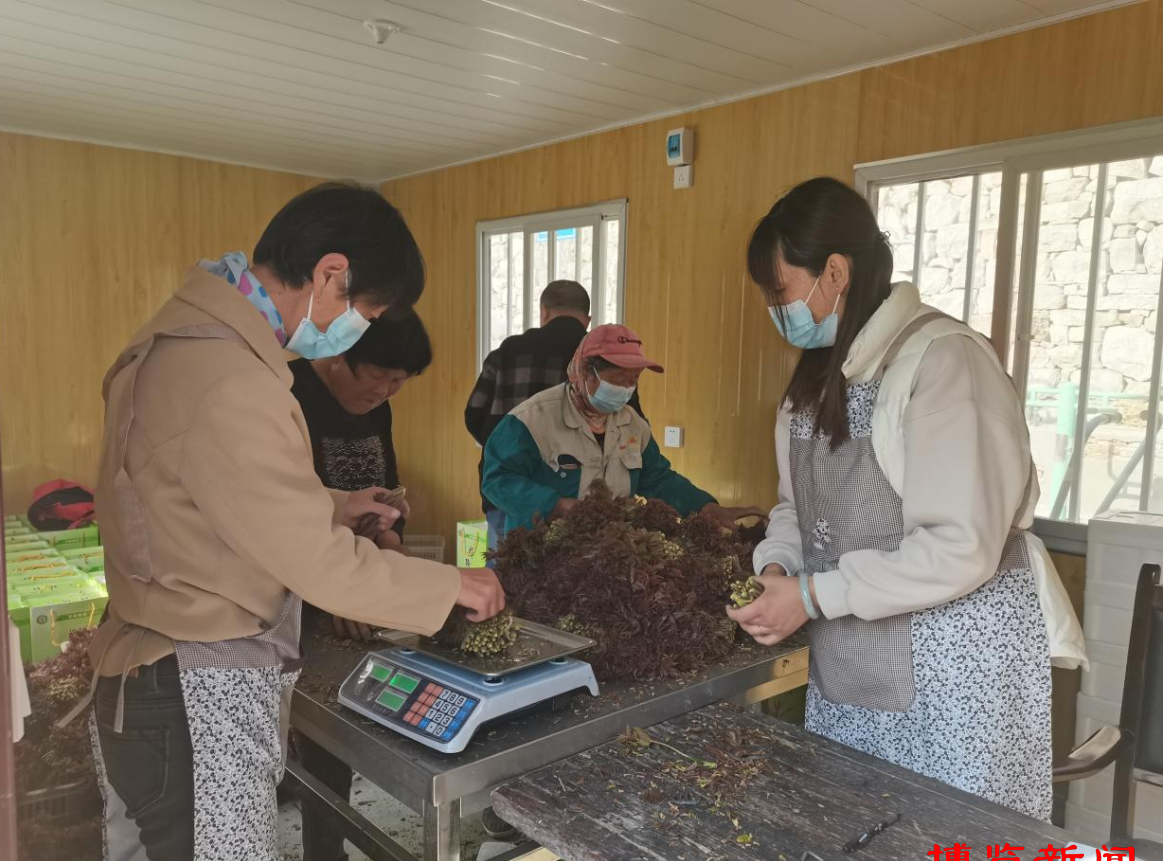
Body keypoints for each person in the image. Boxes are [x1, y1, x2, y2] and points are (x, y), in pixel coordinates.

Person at [72, 182, 505, 861]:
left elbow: (206, 494)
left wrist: (335, 502)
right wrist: (451, 584)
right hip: (193, 692)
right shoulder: (232, 378)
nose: (360, 331)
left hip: (141, 676)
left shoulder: (176, 340)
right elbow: (318, 567)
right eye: (365, 313)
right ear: (331, 275)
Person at [732, 177, 1085, 823]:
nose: (775, 309)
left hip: (955, 668)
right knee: (856, 833)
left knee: (958, 853)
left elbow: (959, 547)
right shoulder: (816, 378)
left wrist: (812, 596)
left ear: (833, 273)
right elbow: (794, 506)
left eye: (779, 291)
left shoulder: (944, 362)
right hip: (852, 657)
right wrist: (778, 569)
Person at [288, 311, 432, 861]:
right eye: (378, 374)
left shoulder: (379, 406)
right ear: (341, 355)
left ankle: (324, 853)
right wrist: (339, 584)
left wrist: (391, 544)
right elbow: (285, 516)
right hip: (295, 587)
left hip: (357, 585)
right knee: (311, 719)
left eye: (400, 381)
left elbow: (384, 494)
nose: (385, 391)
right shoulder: (290, 393)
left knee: (341, 717)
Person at [482, 323, 764, 533]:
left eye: (634, 380)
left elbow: (659, 479)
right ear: (583, 371)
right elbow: (498, 481)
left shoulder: (632, 425)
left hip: (608, 555)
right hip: (541, 554)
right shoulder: (531, 420)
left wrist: (707, 508)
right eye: (617, 379)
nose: (626, 389)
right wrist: (555, 505)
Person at [465, 280, 643, 550]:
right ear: (588, 318)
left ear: (544, 311)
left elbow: (474, 414)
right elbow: (628, 427)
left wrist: (503, 448)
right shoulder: (605, 361)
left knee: (504, 571)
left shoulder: (508, 351)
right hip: (578, 500)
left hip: (509, 494)